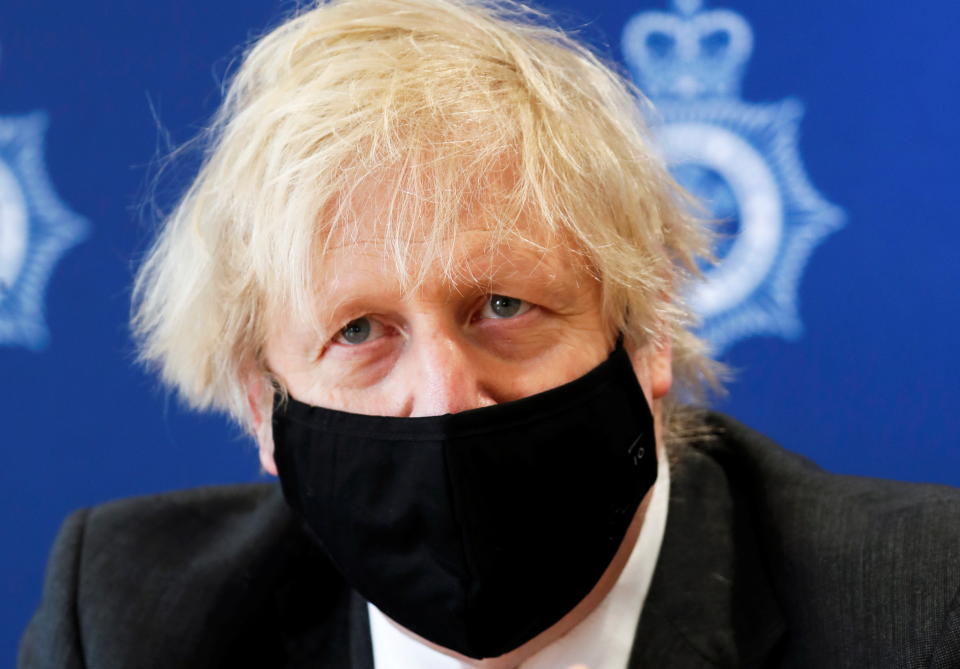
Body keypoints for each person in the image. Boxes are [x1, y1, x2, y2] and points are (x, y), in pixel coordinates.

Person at [19, 0, 960, 667]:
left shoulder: (923, 610)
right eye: (360, 331)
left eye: (502, 307)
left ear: (646, 335)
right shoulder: (124, 620)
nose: (445, 396)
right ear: (264, 406)